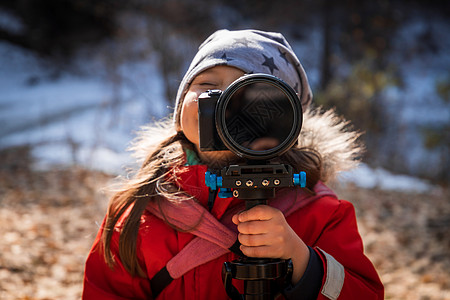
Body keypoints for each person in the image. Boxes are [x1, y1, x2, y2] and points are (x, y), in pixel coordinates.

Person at [82, 29, 384, 299]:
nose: (224, 103)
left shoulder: (320, 212)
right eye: (207, 85)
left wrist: (302, 259)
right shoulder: (141, 208)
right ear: (180, 103)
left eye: (246, 95)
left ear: (283, 123)